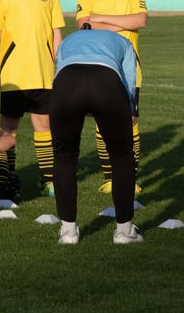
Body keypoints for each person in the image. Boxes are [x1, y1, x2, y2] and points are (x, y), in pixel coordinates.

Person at [0, 0, 64, 196]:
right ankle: (6, 178)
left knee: (44, 125)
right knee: (8, 128)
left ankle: (48, 179)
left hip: (44, 73)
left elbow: (56, 31)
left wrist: (62, 65)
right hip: (14, 75)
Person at [50, 27, 142, 245]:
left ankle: (68, 231)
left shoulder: (68, 40)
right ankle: (124, 231)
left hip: (67, 83)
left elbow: (58, 70)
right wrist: (131, 108)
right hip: (106, 81)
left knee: (64, 157)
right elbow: (130, 78)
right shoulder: (123, 41)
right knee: (122, 157)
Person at [76, 0, 147, 195]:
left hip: (129, 64)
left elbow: (140, 20)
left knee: (130, 120)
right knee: (101, 121)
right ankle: (110, 178)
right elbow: (84, 25)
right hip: (99, 63)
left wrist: (101, 18)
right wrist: (121, 22)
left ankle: (130, 178)